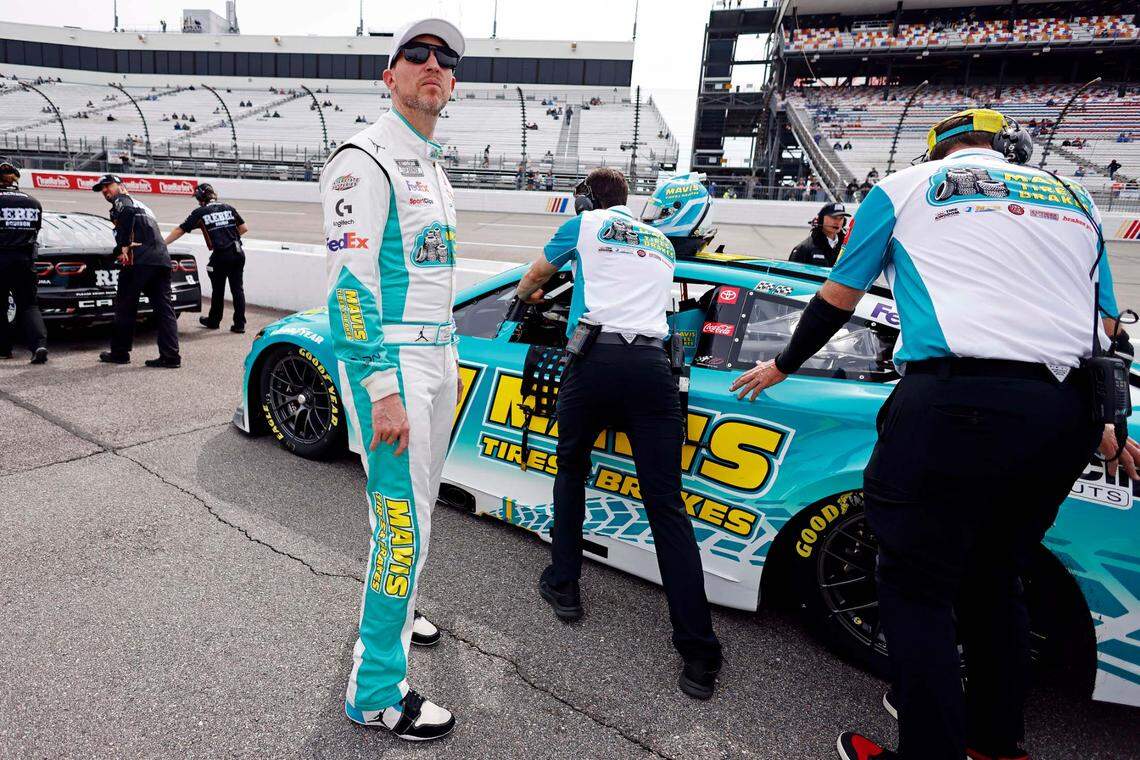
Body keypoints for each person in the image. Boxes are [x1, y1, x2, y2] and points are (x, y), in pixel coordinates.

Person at [728, 108, 1138, 760]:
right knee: (998, 575)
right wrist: (1110, 421)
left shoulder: (903, 187)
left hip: (956, 400)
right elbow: (1110, 328)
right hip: (1065, 414)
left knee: (916, 587)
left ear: (936, 147)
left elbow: (840, 296)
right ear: (1009, 147)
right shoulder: (1075, 195)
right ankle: (996, 745)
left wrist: (783, 363)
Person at [515, 167, 723, 700]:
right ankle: (699, 653)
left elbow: (531, 280)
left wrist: (534, 299)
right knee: (666, 505)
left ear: (586, 199)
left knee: (571, 474)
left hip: (592, 361)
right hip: (654, 369)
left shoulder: (584, 226)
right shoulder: (660, 241)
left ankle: (565, 588)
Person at [320, 16, 465, 742]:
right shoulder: (363, 158)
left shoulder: (433, 165)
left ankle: (398, 617)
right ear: (391, 74)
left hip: (438, 359)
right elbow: (349, 287)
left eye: (445, 58)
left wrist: (451, 365)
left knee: (420, 511)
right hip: (396, 366)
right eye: (417, 53)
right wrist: (380, 388)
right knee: (399, 527)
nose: (432, 63)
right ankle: (375, 689)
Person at [94, 174, 181, 368]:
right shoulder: (144, 206)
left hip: (138, 261)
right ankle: (171, 356)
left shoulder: (123, 200)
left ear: (120, 185)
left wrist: (124, 245)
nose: (105, 191)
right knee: (165, 310)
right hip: (161, 260)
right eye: (102, 189)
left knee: (125, 308)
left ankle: (120, 353)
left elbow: (127, 212)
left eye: (107, 186)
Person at [163, 183, 249, 333]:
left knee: (218, 289)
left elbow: (180, 229)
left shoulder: (200, 212)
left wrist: (163, 244)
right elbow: (244, 228)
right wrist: (228, 237)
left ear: (200, 198)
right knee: (237, 289)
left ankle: (214, 321)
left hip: (221, 255)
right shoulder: (229, 207)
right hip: (238, 252)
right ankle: (239, 324)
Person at [0, 157, 48, 364]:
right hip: (26, 260)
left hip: (1, 258)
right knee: (29, 305)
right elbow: (35, 231)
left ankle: (4, 349)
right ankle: (39, 345)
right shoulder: (33, 202)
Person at [788, 202, 850, 267]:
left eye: (841, 218)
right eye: (834, 217)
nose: (838, 222)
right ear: (821, 219)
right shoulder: (803, 248)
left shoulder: (847, 247)